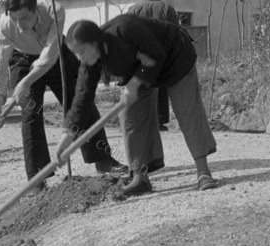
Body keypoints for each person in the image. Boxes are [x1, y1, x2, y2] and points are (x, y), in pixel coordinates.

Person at [62, 15, 219, 196]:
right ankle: (140, 177)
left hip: (175, 58)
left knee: (187, 111)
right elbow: (82, 97)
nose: (78, 58)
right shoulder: (89, 63)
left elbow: (155, 54)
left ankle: (203, 172)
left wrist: (135, 82)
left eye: (81, 52)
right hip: (143, 69)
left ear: (94, 42)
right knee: (130, 115)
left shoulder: (124, 29)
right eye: (75, 53)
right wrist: (68, 133)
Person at [0, 0, 126, 188]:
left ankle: (103, 159)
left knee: (79, 102)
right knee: (30, 114)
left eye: (24, 18)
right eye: (14, 19)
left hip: (57, 55)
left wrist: (25, 83)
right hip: (23, 60)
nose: (19, 26)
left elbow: (49, 56)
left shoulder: (54, 9)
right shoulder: (4, 27)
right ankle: (37, 177)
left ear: (36, 10)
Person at [128, 0, 181, 132]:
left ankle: (143, 121)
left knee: (142, 88)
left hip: (141, 58)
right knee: (160, 87)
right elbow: (176, 34)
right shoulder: (167, 9)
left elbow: (128, 35)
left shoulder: (134, 9)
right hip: (162, 57)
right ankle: (159, 120)